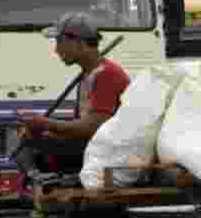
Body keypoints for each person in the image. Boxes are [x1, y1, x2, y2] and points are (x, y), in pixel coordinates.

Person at [14, 11, 131, 183]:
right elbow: (79, 124)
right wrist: (43, 128)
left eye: (60, 42)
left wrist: (45, 123)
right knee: (28, 137)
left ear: (79, 43)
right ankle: (38, 178)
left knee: (31, 142)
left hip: (106, 150)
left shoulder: (107, 74)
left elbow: (93, 127)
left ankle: (43, 179)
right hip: (91, 144)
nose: (56, 50)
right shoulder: (87, 75)